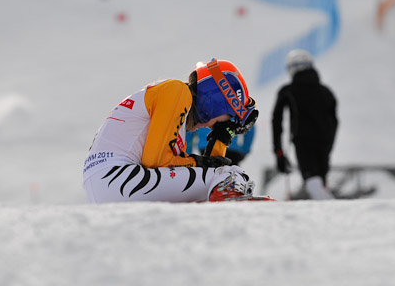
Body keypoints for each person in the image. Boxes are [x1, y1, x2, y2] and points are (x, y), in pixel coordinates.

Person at [83, 58, 267, 203]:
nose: (211, 127)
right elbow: (157, 162)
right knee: (232, 174)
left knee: (216, 178)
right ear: (215, 103)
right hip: (119, 178)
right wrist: (201, 162)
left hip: (109, 182)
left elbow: (207, 168)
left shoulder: (171, 106)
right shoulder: (177, 91)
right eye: (223, 120)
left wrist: (220, 140)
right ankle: (234, 208)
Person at [272, 49, 338, 200]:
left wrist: (279, 151)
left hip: (303, 142)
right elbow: (334, 122)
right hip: (325, 143)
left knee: (312, 183)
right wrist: (329, 145)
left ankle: (337, 211)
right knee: (320, 182)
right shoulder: (326, 92)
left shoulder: (287, 91)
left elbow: (277, 121)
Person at [185, 125, 256, 166]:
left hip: (207, 148)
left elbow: (189, 132)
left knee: (210, 179)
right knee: (232, 178)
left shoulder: (200, 103)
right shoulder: (234, 102)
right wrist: (245, 150)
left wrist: (187, 154)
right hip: (232, 150)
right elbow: (250, 127)